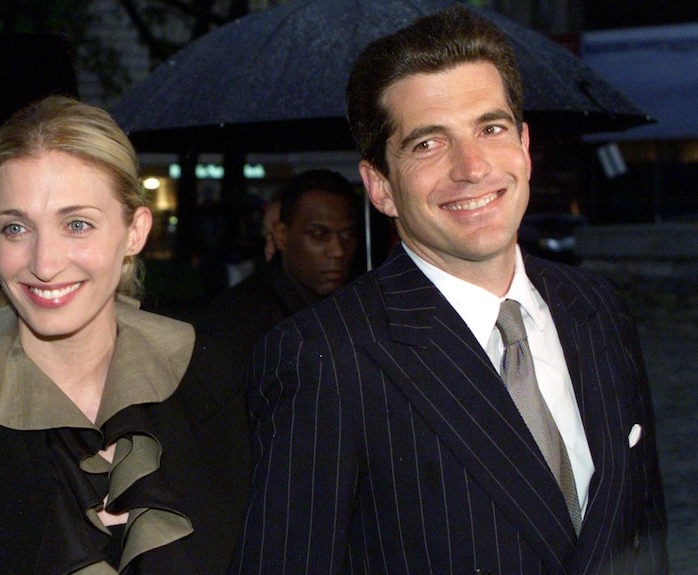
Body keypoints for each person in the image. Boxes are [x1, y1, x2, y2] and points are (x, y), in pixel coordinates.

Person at [232, 6, 667, 575]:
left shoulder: (598, 308)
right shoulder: (324, 359)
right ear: (381, 187)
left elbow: (644, 532)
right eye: (428, 144)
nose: (472, 167)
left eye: (490, 128)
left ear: (525, 145)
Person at [0, 96, 251, 575]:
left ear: (135, 231)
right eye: (16, 228)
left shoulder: (234, 391)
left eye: (77, 224)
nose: (44, 264)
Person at [196, 169, 359, 386]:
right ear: (281, 236)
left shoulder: (360, 308)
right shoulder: (235, 321)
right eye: (319, 234)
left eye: (348, 235)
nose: (338, 250)